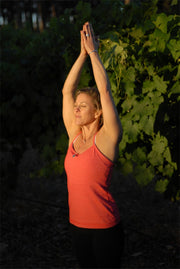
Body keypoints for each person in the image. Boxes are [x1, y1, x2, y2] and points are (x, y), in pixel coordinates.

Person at [62, 22, 124, 268]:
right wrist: (81, 55)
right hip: (76, 226)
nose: (76, 108)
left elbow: (105, 91)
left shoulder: (107, 138)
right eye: (77, 105)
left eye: (83, 105)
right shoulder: (73, 136)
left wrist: (94, 53)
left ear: (98, 112)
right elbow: (67, 91)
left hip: (105, 230)